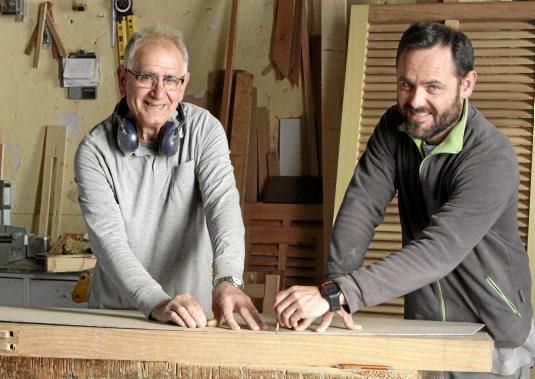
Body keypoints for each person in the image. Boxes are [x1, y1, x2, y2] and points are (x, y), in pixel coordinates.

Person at [274, 22, 535, 377]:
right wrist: (335, 284)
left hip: (492, 330)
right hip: (428, 325)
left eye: (433, 87)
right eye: (406, 84)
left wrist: (344, 292)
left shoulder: (490, 157)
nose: (415, 101)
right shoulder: (395, 126)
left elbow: (439, 250)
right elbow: (361, 207)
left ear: (467, 84)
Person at [74, 25, 265, 331]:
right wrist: (156, 301)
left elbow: (223, 208)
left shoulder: (204, 130)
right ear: (124, 79)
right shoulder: (95, 151)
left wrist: (228, 280)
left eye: (170, 79)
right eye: (146, 77)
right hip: (117, 316)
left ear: (184, 84)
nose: (158, 92)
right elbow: (109, 243)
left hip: (192, 319)